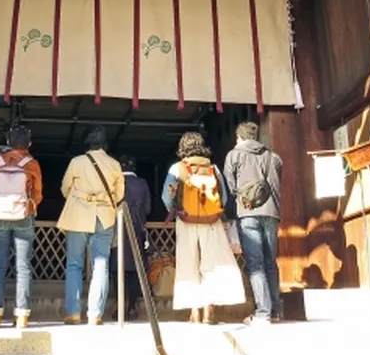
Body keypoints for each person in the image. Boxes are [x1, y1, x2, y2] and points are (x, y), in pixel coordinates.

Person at [162, 132, 245, 324]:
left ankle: (195, 312)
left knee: (188, 265)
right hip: (212, 222)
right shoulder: (213, 168)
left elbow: (167, 197)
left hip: (186, 222)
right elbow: (223, 198)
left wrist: (177, 211)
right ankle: (209, 310)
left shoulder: (177, 168)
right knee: (213, 265)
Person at [57, 125, 124, 325]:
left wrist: (81, 199)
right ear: (105, 144)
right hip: (104, 215)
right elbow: (119, 195)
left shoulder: (76, 162)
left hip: (78, 215)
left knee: (74, 265)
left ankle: (73, 313)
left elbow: (65, 188)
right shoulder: (114, 164)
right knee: (101, 264)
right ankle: (95, 314)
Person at [0, 124, 43, 329]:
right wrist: (30, 207)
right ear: (29, 144)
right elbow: (38, 193)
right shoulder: (31, 164)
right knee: (23, 266)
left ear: (8, 142)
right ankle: (22, 315)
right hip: (23, 216)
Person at [224, 121, 283, 325]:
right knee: (270, 263)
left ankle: (262, 313)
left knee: (255, 264)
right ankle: (275, 311)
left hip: (248, 212)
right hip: (272, 213)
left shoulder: (234, 155)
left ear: (239, 137)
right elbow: (278, 179)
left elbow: (231, 186)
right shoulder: (273, 157)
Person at [112, 155, 152, 320]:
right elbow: (148, 208)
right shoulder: (142, 183)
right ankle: (133, 305)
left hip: (117, 228)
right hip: (137, 228)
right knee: (136, 268)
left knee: (117, 267)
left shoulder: (115, 183)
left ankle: (119, 305)